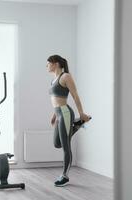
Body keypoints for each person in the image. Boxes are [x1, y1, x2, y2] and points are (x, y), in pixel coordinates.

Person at [47, 54, 91, 187]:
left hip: (66, 113)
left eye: (48, 63)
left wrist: (81, 113)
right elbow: (55, 99)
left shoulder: (65, 76)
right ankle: (77, 125)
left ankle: (65, 176)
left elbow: (75, 95)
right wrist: (54, 114)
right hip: (59, 114)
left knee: (66, 146)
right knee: (57, 143)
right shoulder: (53, 80)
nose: (47, 66)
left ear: (55, 63)